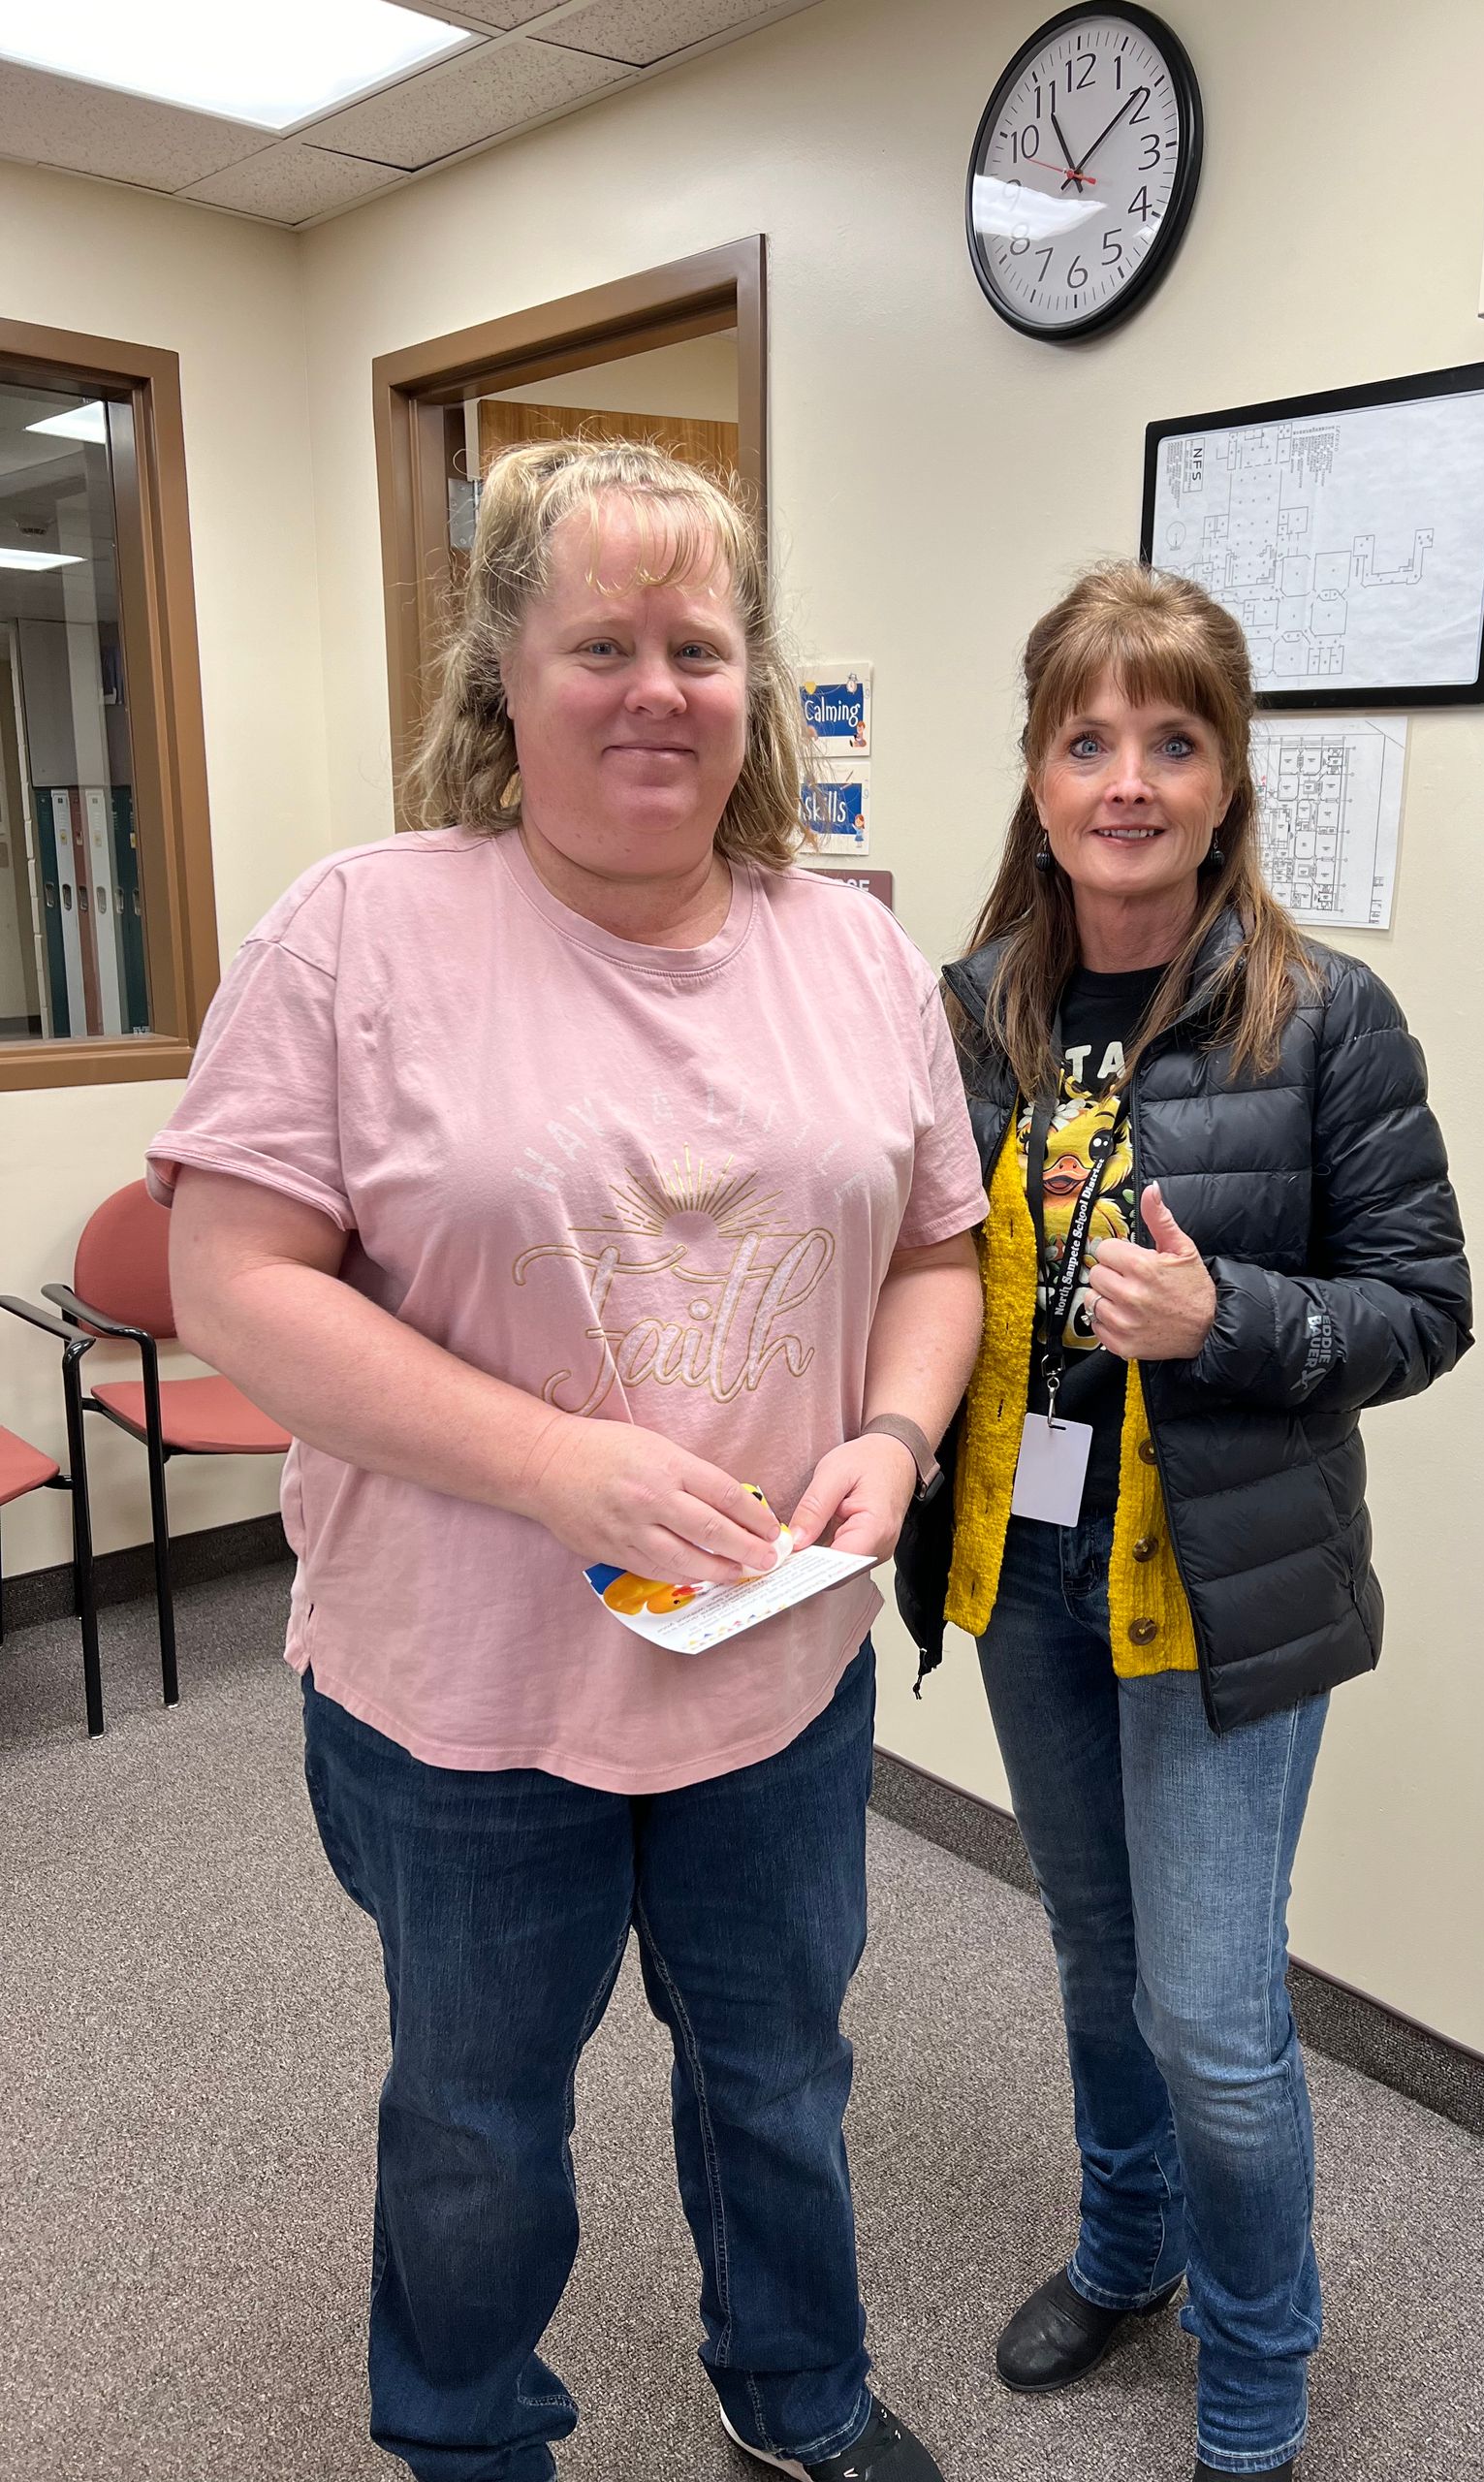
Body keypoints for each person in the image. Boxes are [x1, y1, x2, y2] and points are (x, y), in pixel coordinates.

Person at [149, 441, 986, 2482]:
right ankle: (463, 2428)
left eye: (699, 643)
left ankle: (790, 2383)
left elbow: (946, 1249)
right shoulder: (356, 936)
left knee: (779, 2069)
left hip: (774, 1668)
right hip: (469, 1694)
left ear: (752, 681)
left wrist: (893, 1427)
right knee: (477, 2103)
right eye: (598, 640)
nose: (656, 687)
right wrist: (550, 1468)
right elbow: (232, 1277)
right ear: (500, 678)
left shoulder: (855, 952)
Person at [896, 561, 1472, 2480]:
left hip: (1222, 1577)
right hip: (1029, 1558)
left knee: (1211, 2004)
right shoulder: (972, 1008)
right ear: (1039, 774)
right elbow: (912, 1263)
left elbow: (1421, 1308)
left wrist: (1230, 1320)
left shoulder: (1329, 1021)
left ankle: (1257, 2361)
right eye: (1087, 738)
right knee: (1089, 1946)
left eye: (1172, 738)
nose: (1125, 778)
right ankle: (1126, 2247)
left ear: (1229, 778)